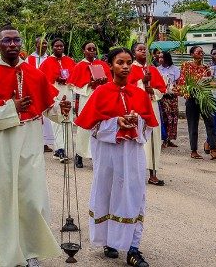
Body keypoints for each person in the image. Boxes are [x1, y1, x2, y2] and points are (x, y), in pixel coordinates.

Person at [0, 26, 70, 267]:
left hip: (30, 141)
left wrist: (62, 110)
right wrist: (11, 109)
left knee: (32, 199)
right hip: (2, 144)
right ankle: (7, 257)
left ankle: (31, 252)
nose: (12, 44)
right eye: (6, 40)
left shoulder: (34, 73)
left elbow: (47, 106)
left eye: (16, 40)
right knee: (3, 200)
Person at [75, 47, 158, 267]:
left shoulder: (139, 94)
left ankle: (133, 248)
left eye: (128, 62)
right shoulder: (100, 93)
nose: (125, 67)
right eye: (120, 62)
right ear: (110, 65)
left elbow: (149, 126)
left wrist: (136, 122)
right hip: (109, 153)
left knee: (133, 194)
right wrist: (115, 123)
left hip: (131, 153)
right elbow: (90, 127)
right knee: (108, 192)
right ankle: (109, 241)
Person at [68, 41, 111, 169]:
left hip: (100, 98)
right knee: (84, 126)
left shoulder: (102, 65)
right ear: (84, 51)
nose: (92, 51)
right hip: (86, 98)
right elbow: (73, 86)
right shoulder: (79, 66)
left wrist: (103, 82)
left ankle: (96, 155)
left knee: (99, 126)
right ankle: (79, 154)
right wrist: (88, 85)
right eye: (89, 49)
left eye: (94, 49)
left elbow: (110, 82)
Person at [130, 43, 167, 186]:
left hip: (152, 106)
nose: (143, 51)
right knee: (137, 138)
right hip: (137, 107)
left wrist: (153, 91)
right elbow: (127, 88)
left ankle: (153, 174)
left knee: (154, 138)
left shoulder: (152, 69)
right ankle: (135, 173)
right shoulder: (130, 68)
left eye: (144, 49)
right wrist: (141, 82)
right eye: (139, 50)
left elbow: (161, 89)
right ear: (134, 53)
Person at [176, 46, 216, 160]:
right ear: (192, 54)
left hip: (205, 98)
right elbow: (182, 81)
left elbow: (211, 83)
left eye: (202, 52)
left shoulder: (206, 67)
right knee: (193, 125)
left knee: (211, 124)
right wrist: (191, 88)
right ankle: (194, 150)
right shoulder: (186, 66)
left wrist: (212, 83)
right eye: (198, 52)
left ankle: (213, 149)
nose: (201, 53)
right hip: (192, 98)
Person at [38, 38, 76, 163]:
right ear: (52, 47)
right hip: (55, 92)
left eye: (61, 46)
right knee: (57, 122)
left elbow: (75, 77)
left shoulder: (70, 61)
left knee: (67, 120)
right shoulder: (47, 62)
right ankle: (60, 149)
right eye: (56, 46)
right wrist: (55, 79)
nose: (59, 48)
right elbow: (42, 80)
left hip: (68, 92)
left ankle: (64, 148)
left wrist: (67, 80)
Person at [26, 36, 56, 152]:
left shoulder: (50, 59)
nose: (44, 45)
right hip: (34, 91)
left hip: (48, 89)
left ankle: (45, 143)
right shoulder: (29, 59)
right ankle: (36, 142)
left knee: (47, 118)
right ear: (36, 45)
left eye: (45, 44)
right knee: (36, 116)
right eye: (41, 43)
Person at [157, 52, 180, 148]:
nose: (160, 59)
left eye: (162, 57)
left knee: (174, 117)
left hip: (173, 96)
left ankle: (170, 139)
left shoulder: (175, 69)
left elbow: (178, 82)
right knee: (165, 117)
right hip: (163, 96)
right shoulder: (157, 69)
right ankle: (164, 139)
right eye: (159, 57)